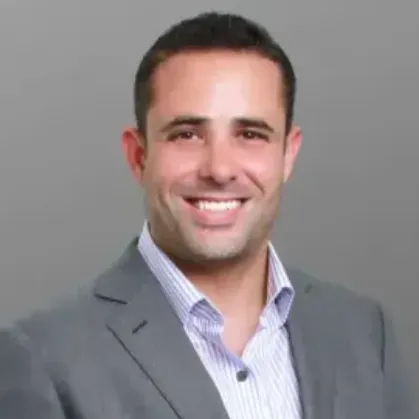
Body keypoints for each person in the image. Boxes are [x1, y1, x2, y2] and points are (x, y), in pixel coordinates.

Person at [0, 11, 414, 419]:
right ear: (139, 155)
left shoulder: (364, 333)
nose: (219, 169)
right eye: (187, 134)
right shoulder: (44, 360)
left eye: (250, 134)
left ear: (288, 155)